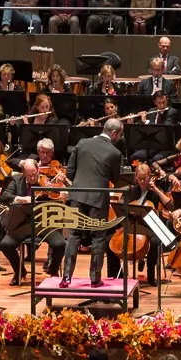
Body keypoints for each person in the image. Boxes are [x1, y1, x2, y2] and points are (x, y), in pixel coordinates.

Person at [60, 120, 125, 287]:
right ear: (113, 133)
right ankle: (95, 279)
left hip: (77, 196)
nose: (119, 137)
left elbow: (70, 171)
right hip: (98, 199)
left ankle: (66, 278)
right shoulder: (115, 153)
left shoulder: (82, 143)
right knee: (98, 238)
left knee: (73, 235)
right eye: (119, 134)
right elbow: (115, 179)